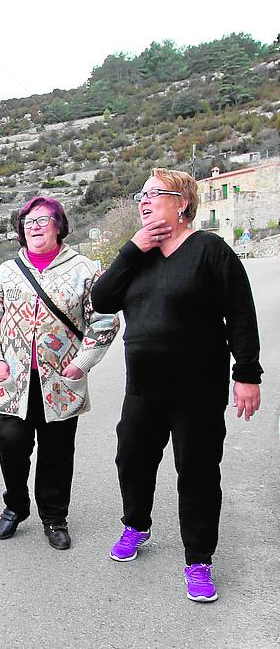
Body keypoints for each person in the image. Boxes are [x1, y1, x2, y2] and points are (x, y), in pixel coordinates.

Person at [91, 168, 262, 603]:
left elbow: (241, 313)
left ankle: (199, 559)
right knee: (131, 458)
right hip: (143, 389)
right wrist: (132, 248)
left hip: (198, 390)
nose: (143, 202)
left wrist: (246, 374)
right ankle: (136, 525)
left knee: (199, 474)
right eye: (140, 197)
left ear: (182, 203)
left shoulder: (210, 250)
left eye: (154, 195)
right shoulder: (137, 256)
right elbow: (101, 300)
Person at [0, 197, 119, 550]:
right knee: (10, 444)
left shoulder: (84, 269)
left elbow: (105, 320)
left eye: (43, 220)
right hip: (14, 383)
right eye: (28, 221)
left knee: (56, 453)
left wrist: (81, 363)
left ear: (59, 225)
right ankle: (16, 506)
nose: (34, 226)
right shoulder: (8, 272)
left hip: (60, 383)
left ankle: (54, 517)